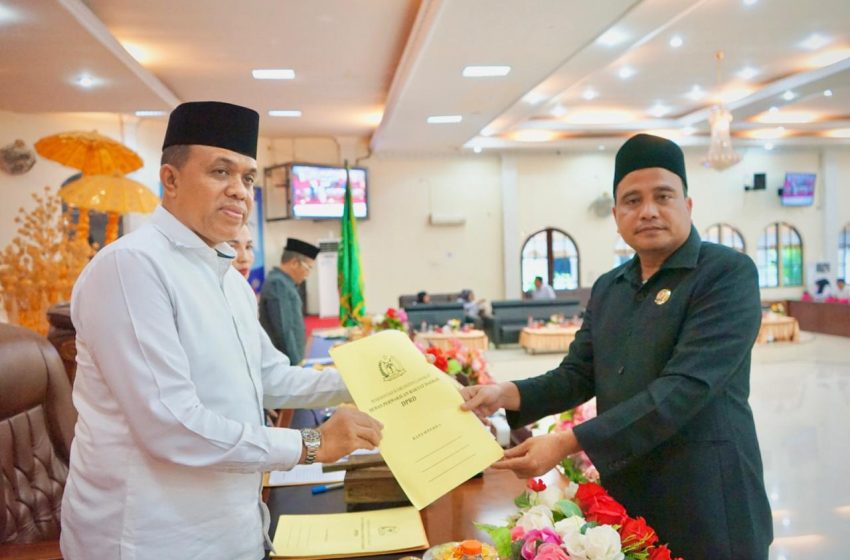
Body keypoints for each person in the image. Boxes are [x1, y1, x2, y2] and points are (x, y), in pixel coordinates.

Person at [61, 101, 383, 559]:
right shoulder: (131, 267)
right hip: (152, 538)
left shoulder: (229, 280)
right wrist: (314, 443)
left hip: (235, 527)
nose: (239, 191)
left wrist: (371, 380)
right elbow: (171, 426)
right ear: (170, 179)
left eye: (248, 178)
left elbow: (270, 377)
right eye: (220, 172)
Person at [461, 133, 772, 559]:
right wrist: (503, 394)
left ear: (688, 204)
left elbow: (683, 389)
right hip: (629, 498)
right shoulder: (611, 286)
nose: (648, 211)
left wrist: (567, 442)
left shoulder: (726, 274)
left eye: (663, 196)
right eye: (632, 200)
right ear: (616, 215)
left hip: (709, 502)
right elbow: (578, 374)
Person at [258, 238, 319, 365]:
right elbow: (284, 329)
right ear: (295, 263)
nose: (308, 274)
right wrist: (296, 364)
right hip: (286, 362)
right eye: (308, 268)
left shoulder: (286, 282)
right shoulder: (278, 283)